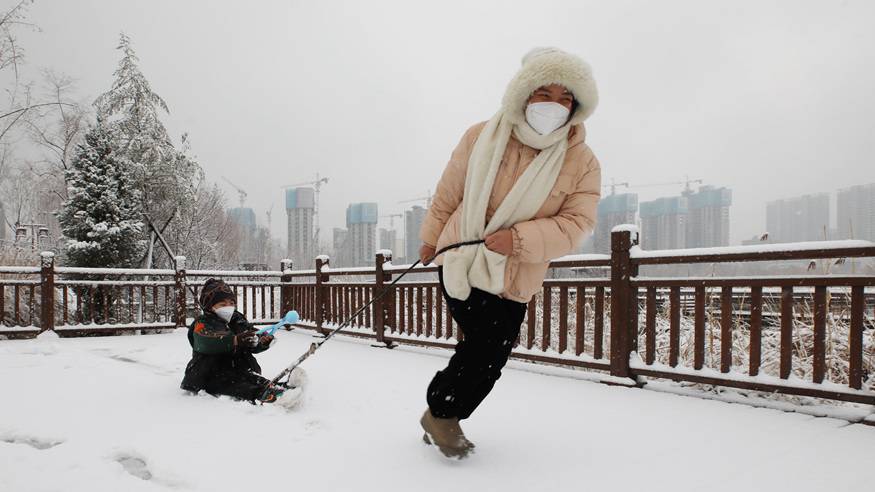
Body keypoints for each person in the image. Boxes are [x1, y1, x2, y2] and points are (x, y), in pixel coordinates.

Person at [418, 47, 601, 458]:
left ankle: (442, 409)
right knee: (486, 347)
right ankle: (442, 414)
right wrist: (430, 239)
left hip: (516, 273)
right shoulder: (480, 135)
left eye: (565, 98)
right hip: (459, 259)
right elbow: (449, 192)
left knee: (491, 354)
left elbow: (576, 225)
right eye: (544, 93)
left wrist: (518, 240)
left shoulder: (582, 160)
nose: (554, 105)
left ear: (578, 106)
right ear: (524, 94)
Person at [180, 278, 284, 403]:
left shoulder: (236, 319)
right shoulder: (202, 323)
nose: (228, 307)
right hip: (208, 372)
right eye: (222, 304)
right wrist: (234, 340)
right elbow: (206, 341)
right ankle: (259, 393)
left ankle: (275, 388)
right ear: (210, 306)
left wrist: (261, 341)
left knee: (250, 378)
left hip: (237, 368)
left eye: (231, 303)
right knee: (236, 386)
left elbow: (250, 336)